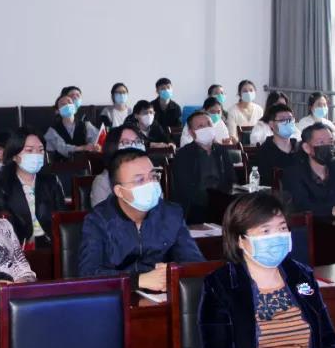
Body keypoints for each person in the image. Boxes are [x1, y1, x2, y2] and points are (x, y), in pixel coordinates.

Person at [192, 192, 335, 348]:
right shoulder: (221, 284)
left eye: (282, 228)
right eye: (265, 231)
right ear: (240, 240)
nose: (277, 237)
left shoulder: (301, 276)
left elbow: (329, 343)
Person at [80, 149, 205, 289]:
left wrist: (173, 271)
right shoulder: (98, 220)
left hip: (162, 295)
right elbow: (88, 274)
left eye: (153, 176)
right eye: (140, 180)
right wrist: (137, 280)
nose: (150, 184)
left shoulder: (171, 214)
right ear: (119, 191)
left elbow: (195, 263)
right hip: (117, 297)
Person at [0, 128, 66, 248]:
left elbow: (63, 220)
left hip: (52, 246)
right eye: (29, 150)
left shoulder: (51, 181)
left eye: (40, 150)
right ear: (14, 156)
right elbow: (3, 230)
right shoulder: (2, 186)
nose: (36, 155)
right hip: (19, 249)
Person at [171, 111, 237, 224]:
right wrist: (211, 201)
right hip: (195, 207)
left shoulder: (222, 151)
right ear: (192, 133)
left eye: (209, 124)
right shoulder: (183, 155)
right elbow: (185, 189)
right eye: (201, 126)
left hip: (222, 204)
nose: (206, 128)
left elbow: (231, 179)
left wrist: (223, 200)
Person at [91, 122, 147, 207]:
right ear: (112, 147)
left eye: (137, 141)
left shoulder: (149, 175)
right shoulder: (103, 182)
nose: (134, 146)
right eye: (126, 142)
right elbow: (101, 214)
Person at [252, 104, 302, 187]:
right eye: (282, 120)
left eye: (290, 119)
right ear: (271, 124)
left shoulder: (301, 149)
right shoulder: (264, 152)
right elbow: (263, 184)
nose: (288, 123)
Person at [44, 94, 100, 161]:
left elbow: (97, 139)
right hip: (61, 164)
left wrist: (94, 146)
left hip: (85, 163)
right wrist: (83, 148)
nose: (67, 105)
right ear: (57, 111)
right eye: (63, 104)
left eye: (69, 102)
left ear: (75, 107)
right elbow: (63, 149)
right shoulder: (52, 131)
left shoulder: (86, 125)